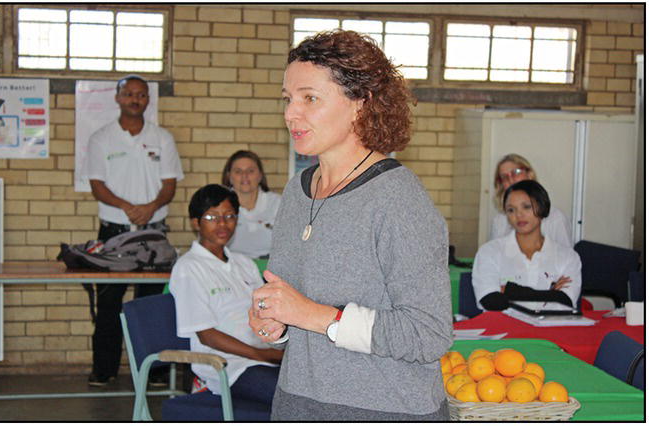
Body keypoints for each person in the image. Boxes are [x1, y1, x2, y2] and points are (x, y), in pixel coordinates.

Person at [248, 30, 453, 421]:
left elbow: (428, 334)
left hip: (384, 410)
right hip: (298, 403)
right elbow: (296, 303)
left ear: (360, 104)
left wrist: (313, 315)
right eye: (288, 99)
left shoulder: (397, 198)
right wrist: (276, 320)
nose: (292, 113)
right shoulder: (297, 192)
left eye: (310, 98)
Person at [84, 74, 184, 386]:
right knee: (110, 304)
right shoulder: (101, 138)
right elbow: (97, 186)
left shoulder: (162, 138)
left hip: (153, 231)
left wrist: (149, 207)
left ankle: (152, 374)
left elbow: (170, 185)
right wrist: (129, 207)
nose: (135, 99)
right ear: (118, 98)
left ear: (147, 100)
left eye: (140, 95)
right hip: (113, 232)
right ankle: (104, 370)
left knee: (151, 305)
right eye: (129, 94)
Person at [169, 184, 282, 404]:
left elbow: (266, 314)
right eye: (212, 217)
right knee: (292, 399)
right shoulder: (188, 268)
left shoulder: (245, 263)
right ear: (196, 223)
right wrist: (261, 355)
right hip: (227, 365)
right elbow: (207, 335)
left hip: (264, 355)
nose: (223, 224)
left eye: (230, 216)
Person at [473, 180, 582, 311]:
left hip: (549, 329)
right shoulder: (489, 252)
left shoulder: (568, 256)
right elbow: (491, 301)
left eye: (526, 207)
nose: (519, 215)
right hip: (505, 328)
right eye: (511, 210)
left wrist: (510, 291)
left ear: (542, 207)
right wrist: (550, 294)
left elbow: (565, 301)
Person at [490, 153, 573, 247]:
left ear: (530, 174)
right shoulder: (499, 221)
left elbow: (566, 257)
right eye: (504, 177)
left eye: (516, 172)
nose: (511, 179)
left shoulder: (556, 218)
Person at [221, 150, 281, 258]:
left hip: (270, 269)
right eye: (238, 171)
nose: (244, 176)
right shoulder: (219, 206)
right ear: (229, 176)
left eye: (251, 171)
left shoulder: (278, 203)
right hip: (231, 269)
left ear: (260, 175)